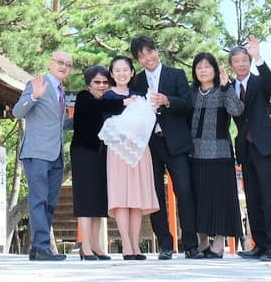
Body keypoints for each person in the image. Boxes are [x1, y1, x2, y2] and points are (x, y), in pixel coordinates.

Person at [128, 35, 201, 258]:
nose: (147, 58)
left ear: (156, 51)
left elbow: (188, 104)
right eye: (141, 56)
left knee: (185, 192)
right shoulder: (136, 82)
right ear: (138, 60)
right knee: (156, 196)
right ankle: (166, 245)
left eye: (149, 52)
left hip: (176, 143)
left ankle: (190, 244)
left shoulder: (176, 75)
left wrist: (167, 100)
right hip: (149, 146)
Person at [230, 35, 271, 262]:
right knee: (252, 198)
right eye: (237, 61)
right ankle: (259, 244)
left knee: (269, 196)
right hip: (245, 148)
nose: (241, 64)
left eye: (245, 59)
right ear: (231, 65)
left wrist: (259, 57)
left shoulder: (259, 83)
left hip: (264, 145)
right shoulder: (229, 87)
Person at [13, 50, 74, 261]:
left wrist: (87, 118)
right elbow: (17, 112)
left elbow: (60, 123)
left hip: (56, 155)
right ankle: (41, 246)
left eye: (68, 64)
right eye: (60, 62)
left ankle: (37, 248)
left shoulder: (61, 91)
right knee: (38, 199)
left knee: (50, 202)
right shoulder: (37, 84)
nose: (64, 66)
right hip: (37, 152)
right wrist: (34, 96)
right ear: (50, 63)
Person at [99, 55, 158, 260]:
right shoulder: (108, 96)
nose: (122, 73)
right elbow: (106, 119)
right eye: (117, 70)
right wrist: (125, 104)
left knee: (136, 199)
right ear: (112, 74)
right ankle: (126, 244)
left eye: (126, 69)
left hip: (140, 150)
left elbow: (147, 120)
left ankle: (136, 245)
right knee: (122, 198)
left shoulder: (139, 95)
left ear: (132, 72)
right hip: (118, 151)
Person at [188, 51, 244, 258]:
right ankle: (202, 241)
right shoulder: (191, 92)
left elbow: (237, 110)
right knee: (198, 198)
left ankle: (219, 244)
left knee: (220, 198)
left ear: (214, 69)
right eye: (199, 67)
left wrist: (227, 86)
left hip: (220, 154)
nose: (203, 71)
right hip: (194, 154)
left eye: (207, 67)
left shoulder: (223, 90)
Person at [69, 64, 115, 260]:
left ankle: (96, 245)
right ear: (89, 84)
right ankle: (85, 246)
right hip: (83, 153)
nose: (102, 85)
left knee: (98, 201)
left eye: (105, 82)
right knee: (86, 199)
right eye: (97, 82)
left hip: (101, 154)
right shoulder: (84, 97)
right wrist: (124, 102)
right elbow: (100, 107)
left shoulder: (106, 100)